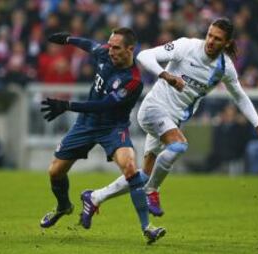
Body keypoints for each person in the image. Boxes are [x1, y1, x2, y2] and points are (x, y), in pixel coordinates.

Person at [80, 17, 258, 219]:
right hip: (153, 109)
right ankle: (152, 191)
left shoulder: (224, 67)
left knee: (142, 175)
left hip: (172, 120)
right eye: (209, 35)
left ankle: (95, 197)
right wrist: (165, 75)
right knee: (179, 145)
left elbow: (240, 96)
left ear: (227, 43)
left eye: (217, 39)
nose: (210, 41)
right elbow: (144, 56)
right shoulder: (186, 46)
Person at [39, 27, 165, 244]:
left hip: (113, 127)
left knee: (130, 168)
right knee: (54, 172)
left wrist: (67, 105)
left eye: (116, 47)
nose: (111, 51)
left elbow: (103, 105)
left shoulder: (133, 80)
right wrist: (68, 39)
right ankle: (63, 206)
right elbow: (90, 45)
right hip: (85, 125)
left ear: (130, 49)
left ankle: (147, 227)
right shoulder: (105, 52)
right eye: (110, 45)